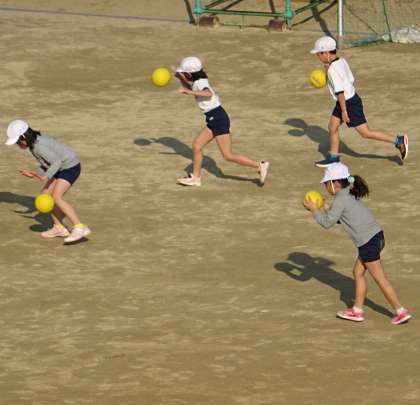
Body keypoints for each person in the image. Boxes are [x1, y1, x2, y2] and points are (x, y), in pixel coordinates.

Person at [303, 162, 412, 325]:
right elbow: (341, 217)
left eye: (326, 183)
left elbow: (327, 223)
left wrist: (314, 210)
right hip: (377, 237)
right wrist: (325, 206)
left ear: (335, 183)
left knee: (380, 279)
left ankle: (400, 311)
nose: (325, 186)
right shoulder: (348, 192)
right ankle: (357, 310)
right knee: (357, 273)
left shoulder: (340, 200)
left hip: (368, 243)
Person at [310, 36, 408, 167]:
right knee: (332, 126)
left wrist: (344, 111)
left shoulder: (332, 70)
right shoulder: (341, 61)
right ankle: (333, 157)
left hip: (348, 103)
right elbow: (350, 79)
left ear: (326, 53)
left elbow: (340, 92)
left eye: (318, 54)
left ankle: (398, 141)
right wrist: (327, 69)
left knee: (365, 133)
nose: (317, 56)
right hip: (348, 100)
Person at [173, 56, 269, 186]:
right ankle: (195, 178)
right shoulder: (198, 81)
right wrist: (180, 78)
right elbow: (190, 87)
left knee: (228, 155)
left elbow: (208, 93)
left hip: (218, 118)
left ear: (189, 74)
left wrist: (188, 92)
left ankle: (259, 165)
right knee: (197, 146)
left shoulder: (201, 83)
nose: (184, 75)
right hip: (214, 118)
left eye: (184, 73)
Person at [5, 119, 91, 243]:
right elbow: (47, 163)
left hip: (70, 167)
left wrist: (46, 176)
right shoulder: (34, 144)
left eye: (18, 141)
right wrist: (36, 174)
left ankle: (79, 227)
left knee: (56, 197)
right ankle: (59, 228)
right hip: (60, 167)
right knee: (45, 196)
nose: (17, 145)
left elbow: (56, 162)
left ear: (25, 137)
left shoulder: (38, 147)